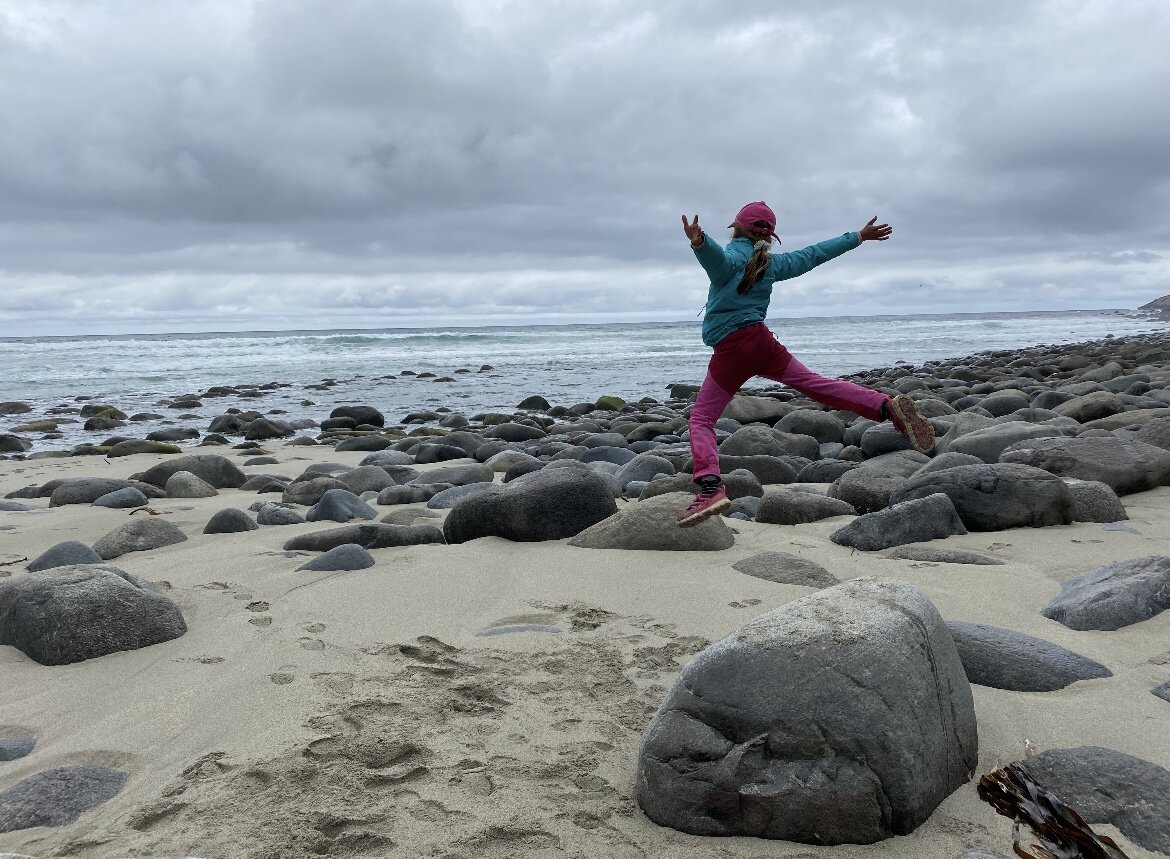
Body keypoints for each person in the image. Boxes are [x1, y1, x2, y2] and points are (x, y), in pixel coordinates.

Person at [677, 201, 935, 527]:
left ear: (736, 227)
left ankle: (710, 488)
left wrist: (700, 242)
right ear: (770, 236)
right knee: (817, 385)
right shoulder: (770, 263)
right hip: (761, 343)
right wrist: (857, 236)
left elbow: (719, 260)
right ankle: (885, 406)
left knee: (701, 419)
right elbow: (814, 254)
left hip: (732, 350)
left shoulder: (732, 259)